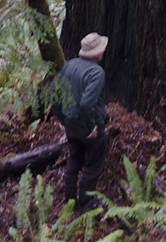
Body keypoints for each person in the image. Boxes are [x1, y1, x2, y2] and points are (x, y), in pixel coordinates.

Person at [50, 32, 108, 214]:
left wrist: (61, 117)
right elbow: (86, 104)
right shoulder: (96, 72)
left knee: (74, 160)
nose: (104, 51)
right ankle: (86, 205)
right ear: (96, 53)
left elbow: (52, 91)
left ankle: (70, 200)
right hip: (88, 129)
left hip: (71, 126)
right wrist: (91, 126)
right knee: (94, 166)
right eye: (102, 49)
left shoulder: (69, 65)